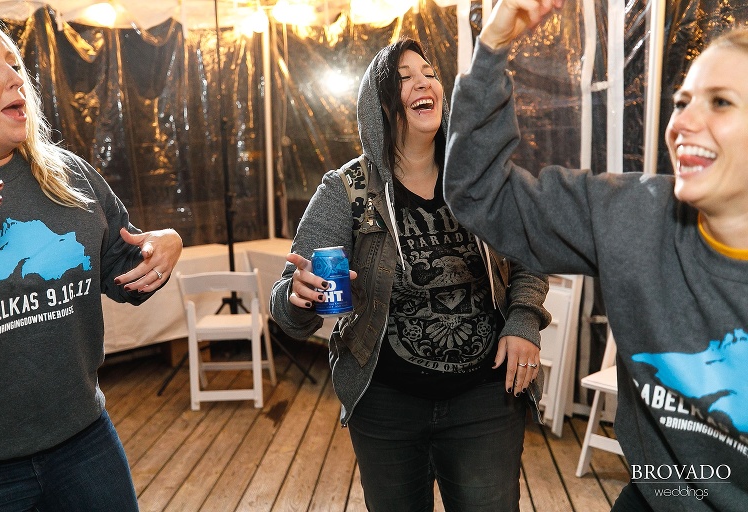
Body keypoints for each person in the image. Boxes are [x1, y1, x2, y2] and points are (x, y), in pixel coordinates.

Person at [444, 1, 748, 510]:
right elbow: (482, 195)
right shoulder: (632, 214)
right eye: (681, 101)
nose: (683, 123)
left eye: (720, 102)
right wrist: (492, 46)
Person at [271, 37, 550, 511]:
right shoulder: (346, 190)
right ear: (378, 104)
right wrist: (297, 297)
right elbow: (289, 310)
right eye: (403, 77)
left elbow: (530, 258)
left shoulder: (482, 177)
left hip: (484, 396)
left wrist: (524, 320)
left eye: (430, 73)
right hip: (385, 403)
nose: (424, 81)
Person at [0, 15, 183, 511]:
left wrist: (165, 248)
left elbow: (123, 273)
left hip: (84, 441)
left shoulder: (69, 176)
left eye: (15, 63)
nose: (13, 78)